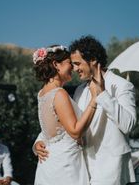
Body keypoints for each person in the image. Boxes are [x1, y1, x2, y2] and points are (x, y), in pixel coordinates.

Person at [35, 36, 137, 185]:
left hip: (109, 168)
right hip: (81, 167)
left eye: (77, 63)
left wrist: (102, 94)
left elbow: (128, 124)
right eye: (72, 64)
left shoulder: (121, 85)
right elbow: (64, 121)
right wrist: (40, 141)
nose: (75, 69)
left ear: (93, 60)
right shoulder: (79, 90)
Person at [32, 45, 104, 185]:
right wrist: (95, 98)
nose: (73, 67)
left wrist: (36, 145)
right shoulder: (59, 94)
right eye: (69, 63)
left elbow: (51, 130)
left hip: (49, 164)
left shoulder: (42, 93)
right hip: (66, 166)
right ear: (55, 65)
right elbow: (75, 132)